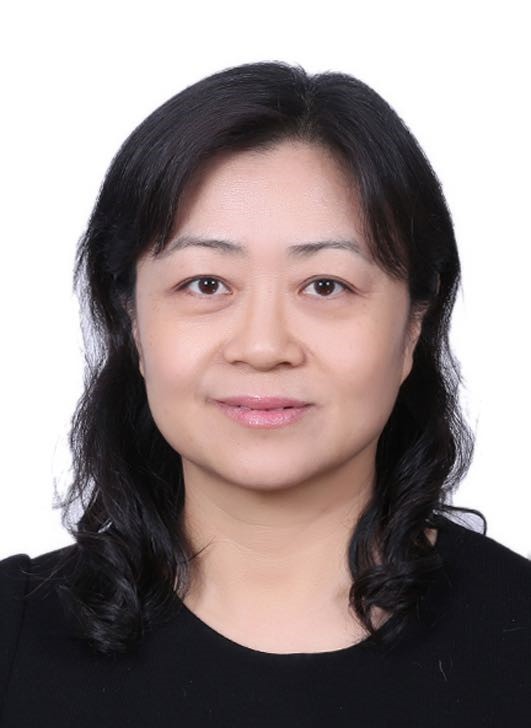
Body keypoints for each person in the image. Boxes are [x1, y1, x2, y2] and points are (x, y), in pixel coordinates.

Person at [1, 60, 529, 727]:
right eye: (206, 284)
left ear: (413, 328)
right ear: (131, 319)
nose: (261, 345)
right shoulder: (14, 637)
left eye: (326, 286)